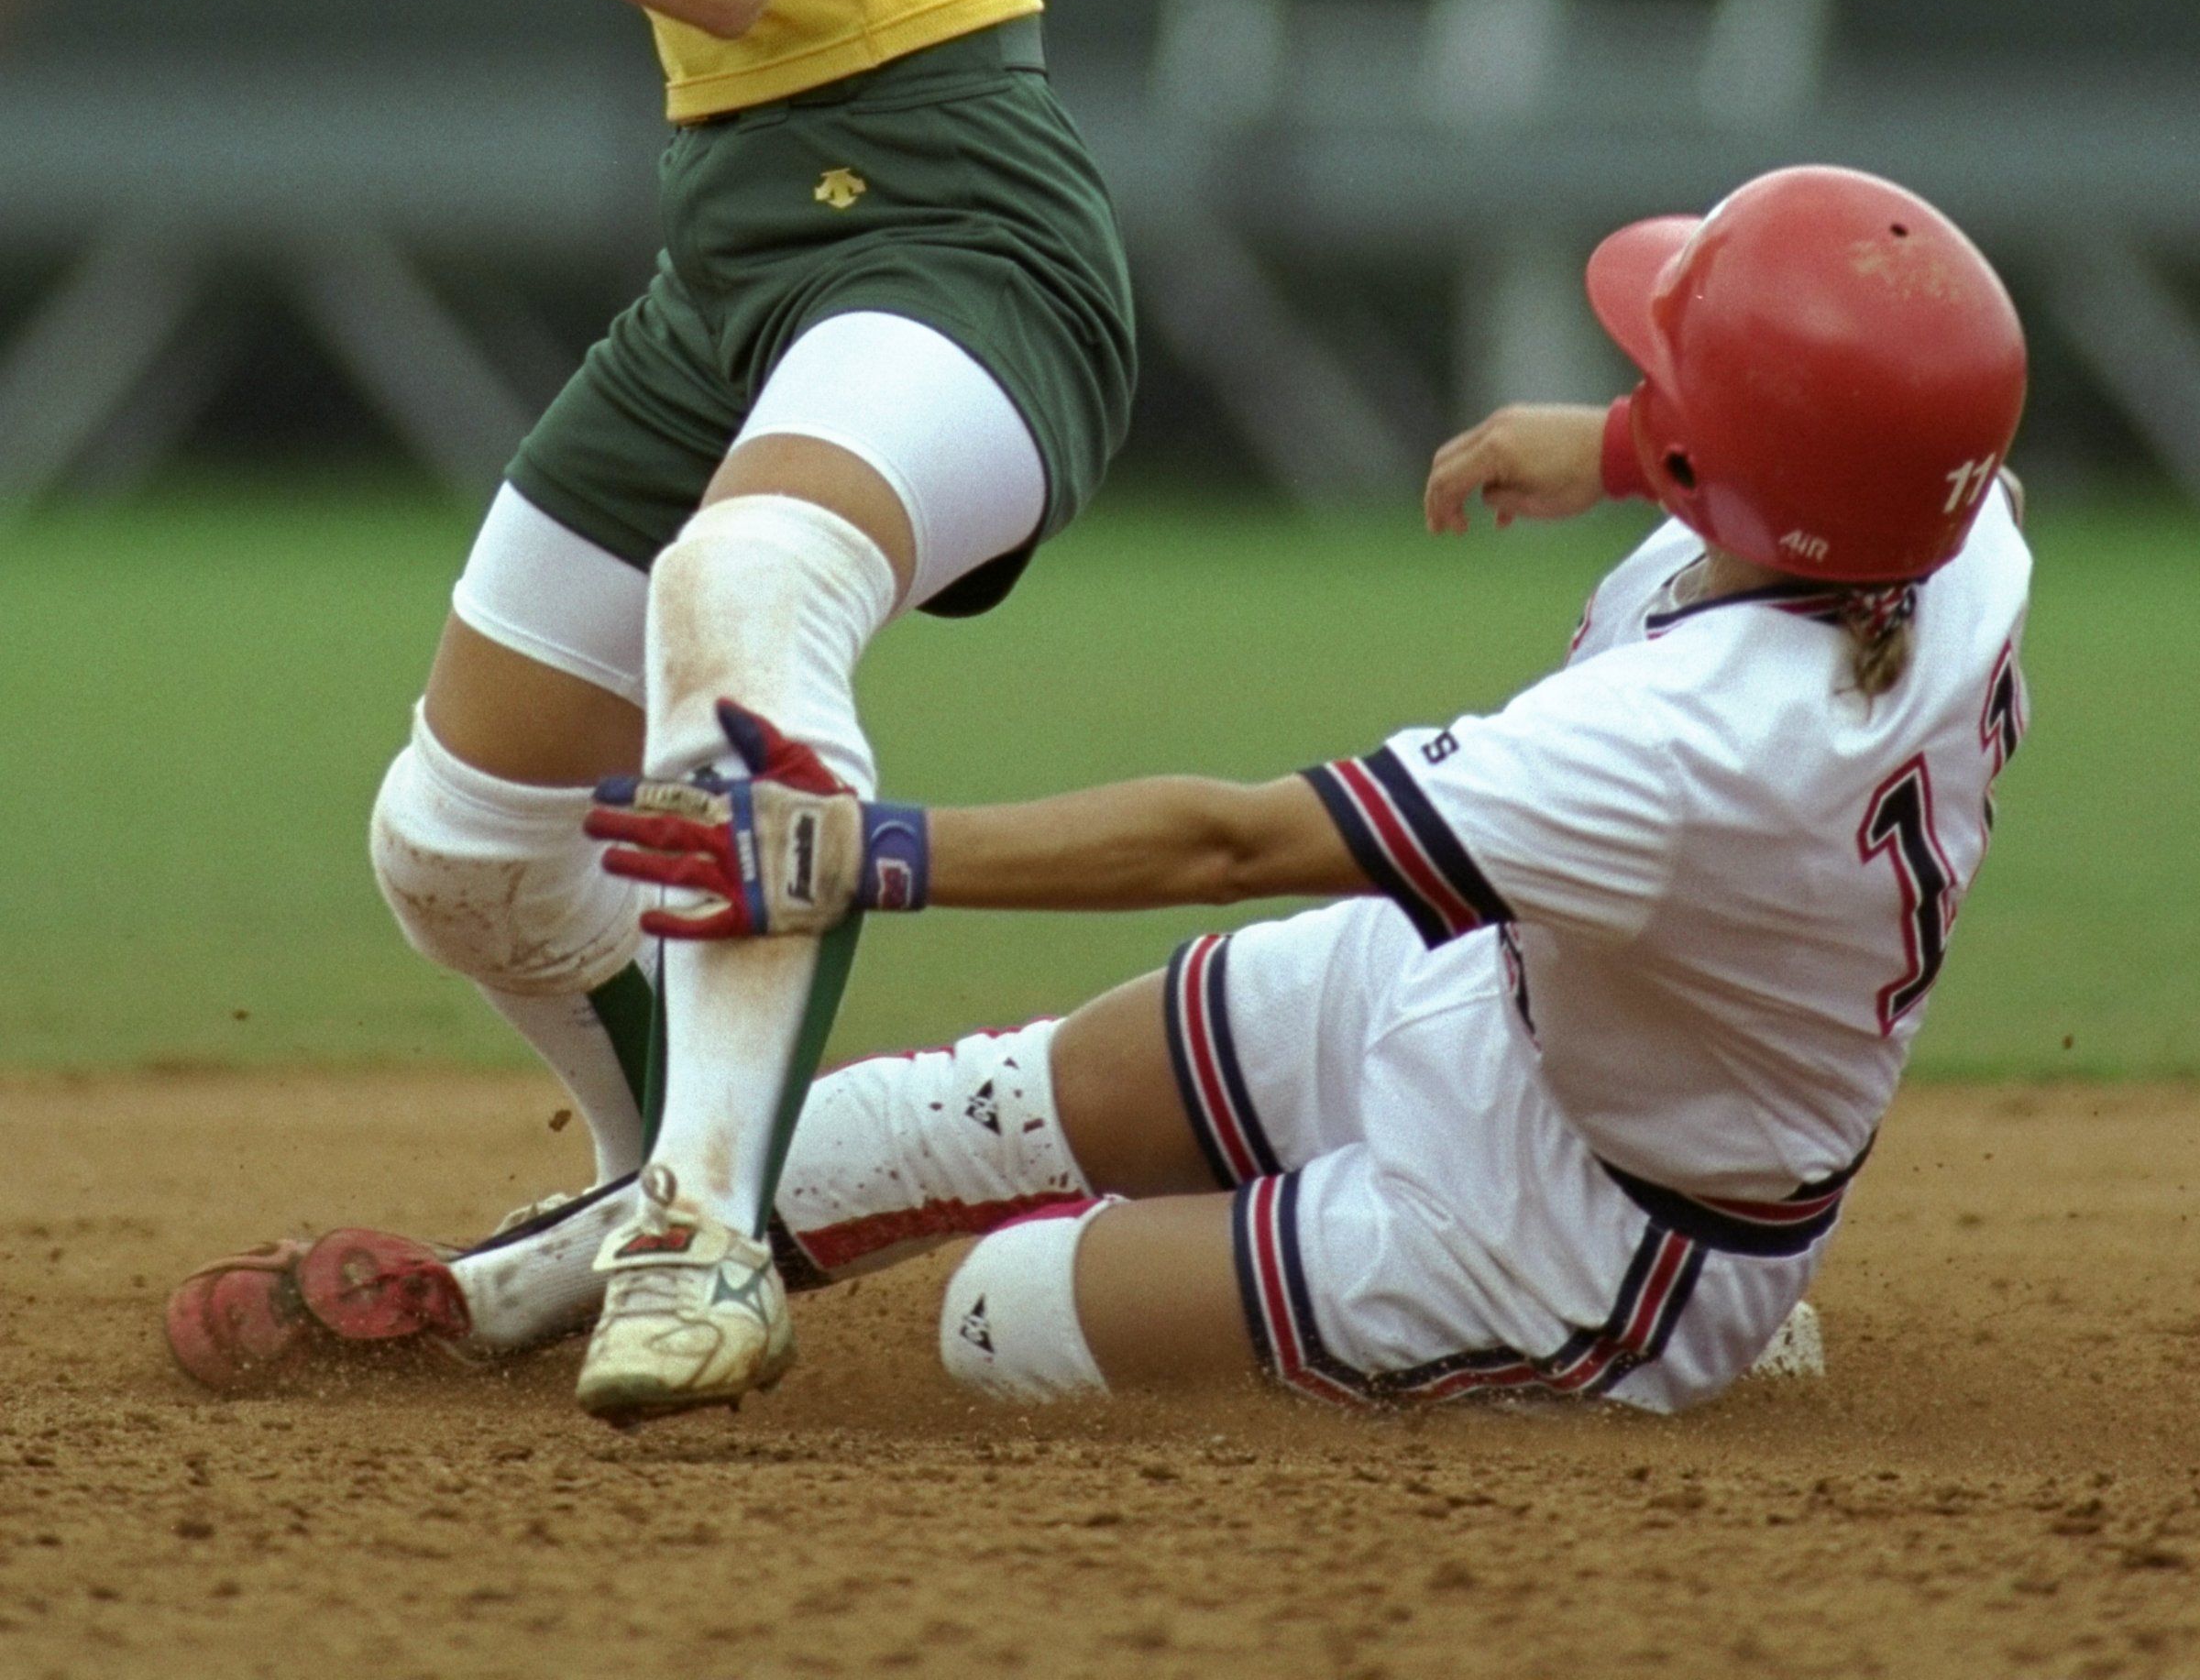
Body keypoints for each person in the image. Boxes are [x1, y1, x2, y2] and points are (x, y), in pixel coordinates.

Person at [174, 164, 2030, 1415]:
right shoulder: (1952, 532)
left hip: (1598, 1226)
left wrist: (862, 852)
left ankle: (1697, 1344)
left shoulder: (1695, 745)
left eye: (1669, 379)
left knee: (1006, 1323)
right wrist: (1631, 446)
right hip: (1509, 990)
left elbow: (1226, 836)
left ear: (1751, 468)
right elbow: (1836, 453)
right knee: (881, 1132)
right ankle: (477, 1300)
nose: (1639, 369)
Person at [163, 0, 1135, 1424]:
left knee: (740, 595)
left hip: (948, 225)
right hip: (757, 247)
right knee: (466, 841)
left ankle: (706, 1238)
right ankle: (669, 1179)